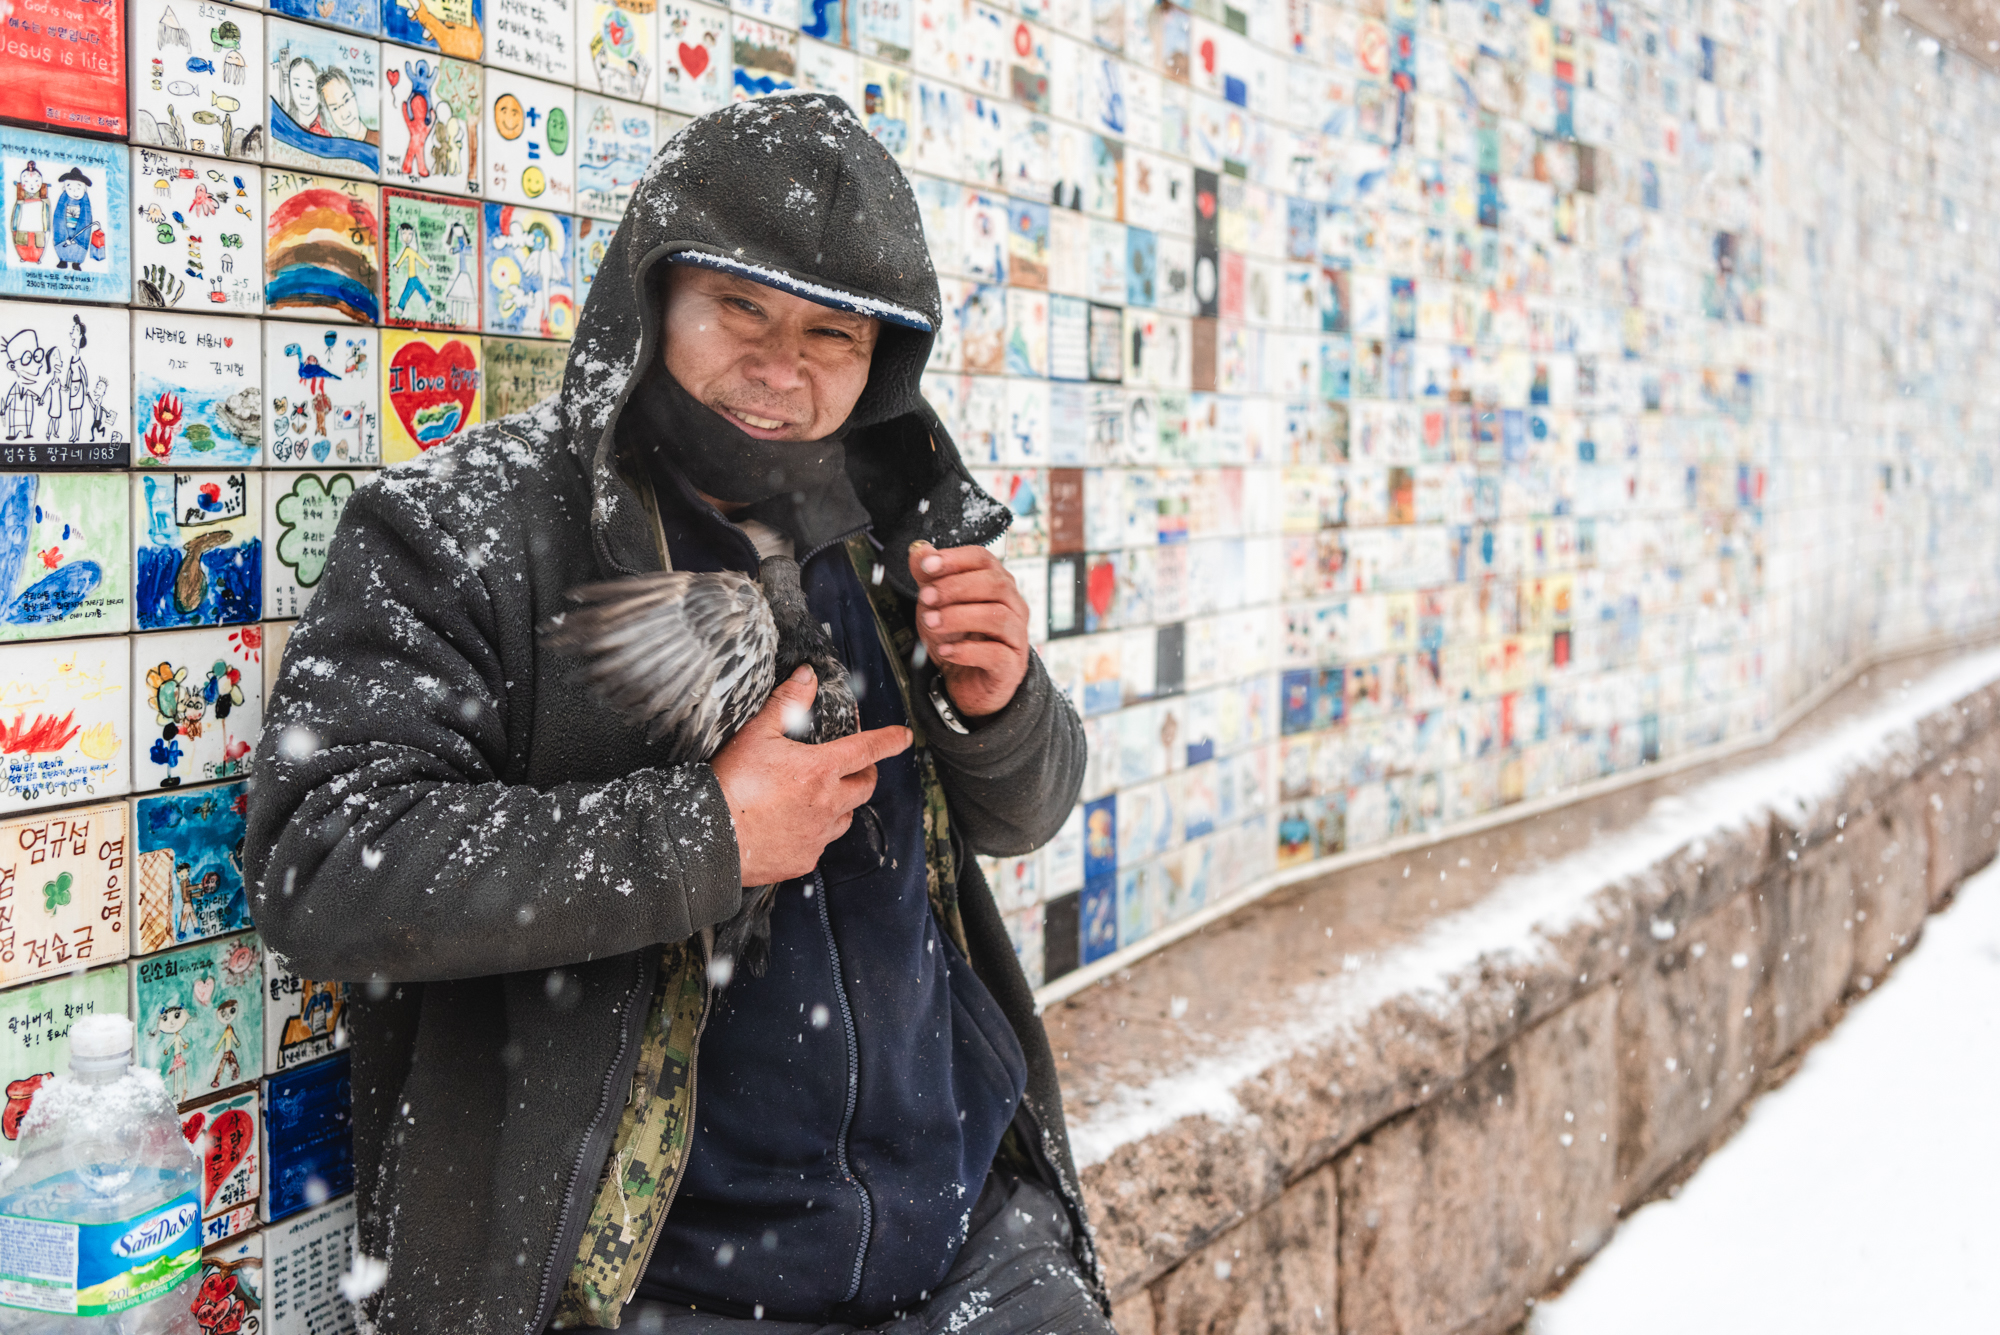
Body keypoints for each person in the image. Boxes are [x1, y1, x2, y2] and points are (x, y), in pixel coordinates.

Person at [246, 93, 1105, 1335]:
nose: (780, 369)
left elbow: (1022, 817)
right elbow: (321, 864)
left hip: (971, 1240)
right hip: (637, 1288)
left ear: (883, 359)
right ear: (648, 297)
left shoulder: (889, 526)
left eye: (832, 335)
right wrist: (705, 833)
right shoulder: (464, 530)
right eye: (739, 308)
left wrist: (1005, 707)